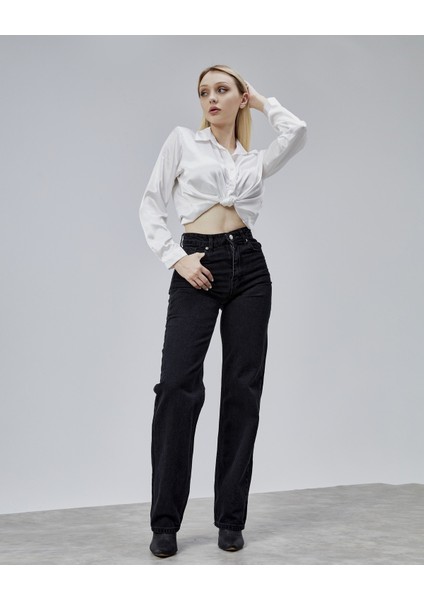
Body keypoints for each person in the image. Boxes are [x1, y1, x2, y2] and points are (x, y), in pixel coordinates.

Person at [139, 64, 307, 558]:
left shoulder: (253, 161)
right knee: (177, 387)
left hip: (249, 268)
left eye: (221, 90)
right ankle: (165, 522)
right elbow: (150, 204)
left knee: (242, 390)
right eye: (203, 92)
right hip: (198, 263)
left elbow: (297, 132)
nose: (211, 98)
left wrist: (262, 100)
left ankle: (231, 518)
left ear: (239, 97)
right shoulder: (182, 142)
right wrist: (177, 258)